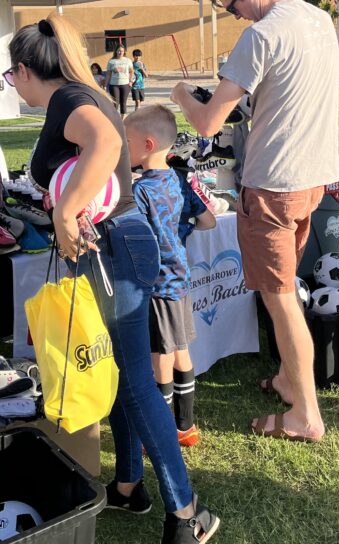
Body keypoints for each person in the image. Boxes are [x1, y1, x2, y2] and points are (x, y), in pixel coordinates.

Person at [5, 16, 220, 544]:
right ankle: (127, 485)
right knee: (124, 372)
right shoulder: (90, 94)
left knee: (139, 381)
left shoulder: (68, 101)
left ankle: (186, 513)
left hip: (115, 246)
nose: (15, 87)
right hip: (119, 244)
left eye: (12, 77)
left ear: (25, 70)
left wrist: (63, 213)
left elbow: (102, 144)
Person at [171, 0, 339, 443]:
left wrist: (181, 93)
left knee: (280, 297)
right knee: (282, 290)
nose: (233, 16)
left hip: (272, 184)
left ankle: (305, 414)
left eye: (231, 6)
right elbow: (283, 95)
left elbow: (205, 122)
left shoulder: (260, 34)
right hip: (312, 180)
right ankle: (290, 379)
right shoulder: (319, 19)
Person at [125, 105, 216, 448]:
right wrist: (180, 228)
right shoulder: (180, 180)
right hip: (181, 279)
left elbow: (137, 241)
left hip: (157, 284)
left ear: (147, 144)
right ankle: (185, 426)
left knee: (159, 356)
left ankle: (162, 432)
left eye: (127, 142)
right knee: (180, 349)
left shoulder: (140, 191)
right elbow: (208, 221)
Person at [105, 44, 134, 115]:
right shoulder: (111, 61)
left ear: (124, 52)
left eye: (122, 51)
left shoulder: (128, 60)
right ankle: (115, 119)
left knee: (123, 102)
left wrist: (130, 81)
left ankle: (122, 120)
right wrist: (105, 85)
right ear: (116, 51)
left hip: (125, 84)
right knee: (115, 103)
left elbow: (131, 71)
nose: (120, 52)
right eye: (119, 51)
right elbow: (108, 74)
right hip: (114, 85)